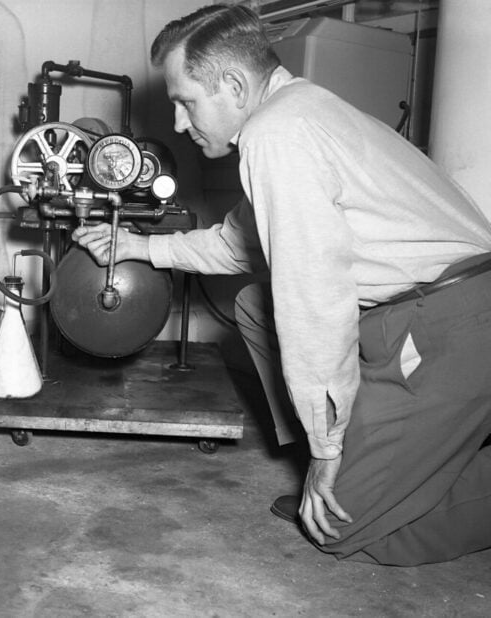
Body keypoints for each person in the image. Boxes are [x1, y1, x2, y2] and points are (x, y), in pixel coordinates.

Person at [72, 3, 491, 566]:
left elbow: (315, 300)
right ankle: (384, 456)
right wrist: (141, 247)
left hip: (454, 325)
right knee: (253, 303)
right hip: (431, 311)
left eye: (184, 101)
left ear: (233, 85)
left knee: (345, 530)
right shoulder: (294, 112)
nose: (177, 122)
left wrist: (326, 446)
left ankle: (371, 469)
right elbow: (237, 242)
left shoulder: (279, 136)